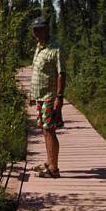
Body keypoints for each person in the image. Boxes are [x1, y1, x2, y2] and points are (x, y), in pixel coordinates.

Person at [29, 16, 66, 178]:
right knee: (45, 130)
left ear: (47, 30)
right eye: (34, 29)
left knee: (50, 130)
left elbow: (61, 73)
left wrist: (59, 96)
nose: (36, 32)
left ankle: (54, 169)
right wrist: (32, 95)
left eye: (39, 29)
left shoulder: (55, 48)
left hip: (50, 96)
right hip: (40, 96)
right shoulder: (39, 46)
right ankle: (49, 162)